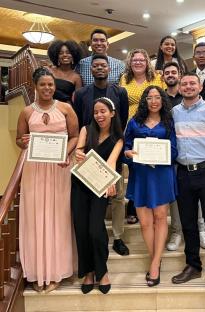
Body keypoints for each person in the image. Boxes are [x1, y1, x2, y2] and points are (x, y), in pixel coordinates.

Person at [16, 67, 79, 293]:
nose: (47, 88)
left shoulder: (65, 108)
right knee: (36, 218)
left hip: (59, 169)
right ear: (36, 86)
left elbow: (74, 135)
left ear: (55, 86)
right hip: (35, 170)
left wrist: (66, 153)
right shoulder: (25, 112)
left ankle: (55, 272)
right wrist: (24, 142)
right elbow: (19, 140)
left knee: (58, 218)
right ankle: (37, 271)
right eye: (42, 84)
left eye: (50, 84)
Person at [172, 73, 205, 296]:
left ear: (200, 86)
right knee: (188, 223)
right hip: (183, 173)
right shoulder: (174, 112)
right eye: (184, 83)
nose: (187, 86)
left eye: (192, 83)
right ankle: (193, 265)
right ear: (180, 87)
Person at [73, 54, 129, 256]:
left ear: (109, 69)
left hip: (114, 145)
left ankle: (118, 237)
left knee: (117, 198)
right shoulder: (81, 94)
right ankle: (95, 236)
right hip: (90, 155)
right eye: (95, 66)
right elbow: (81, 121)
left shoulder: (119, 91)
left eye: (103, 66)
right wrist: (80, 151)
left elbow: (122, 119)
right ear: (90, 69)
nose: (99, 68)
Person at [124, 86, 177, 287]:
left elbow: (174, 149)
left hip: (161, 174)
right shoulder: (134, 121)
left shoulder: (168, 121)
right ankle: (155, 256)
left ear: (162, 100)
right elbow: (126, 146)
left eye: (157, 97)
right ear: (144, 101)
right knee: (145, 222)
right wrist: (128, 154)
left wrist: (162, 157)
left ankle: (154, 263)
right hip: (141, 175)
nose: (153, 101)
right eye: (149, 97)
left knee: (160, 217)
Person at [72, 97, 124, 294]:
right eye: (96, 112)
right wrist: (77, 154)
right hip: (79, 185)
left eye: (103, 111)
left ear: (112, 113)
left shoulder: (118, 138)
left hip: (100, 187)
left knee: (95, 229)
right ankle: (89, 272)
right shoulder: (86, 130)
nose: (99, 115)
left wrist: (110, 182)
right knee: (82, 230)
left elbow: (111, 162)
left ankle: (102, 271)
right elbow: (78, 153)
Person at [120, 48, 165, 224]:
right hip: (132, 126)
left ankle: (155, 204)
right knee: (135, 166)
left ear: (147, 62)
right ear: (130, 63)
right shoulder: (124, 79)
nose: (138, 62)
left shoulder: (157, 78)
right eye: (134, 60)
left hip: (155, 124)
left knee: (154, 165)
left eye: (141, 60)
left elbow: (163, 100)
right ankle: (134, 205)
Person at [161, 62, 182, 251]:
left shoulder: (190, 96)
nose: (170, 75)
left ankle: (201, 229)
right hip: (169, 155)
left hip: (192, 154)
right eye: (167, 73)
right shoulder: (161, 99)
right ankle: (176, 231)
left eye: (173, 72)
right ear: (163, 77)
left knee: (195, 197)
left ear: (180, 75)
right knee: (175, 197)